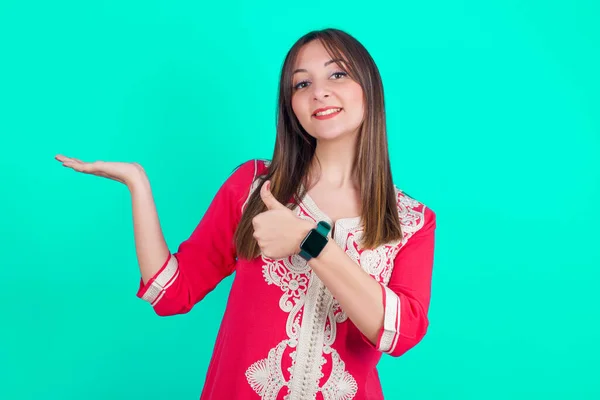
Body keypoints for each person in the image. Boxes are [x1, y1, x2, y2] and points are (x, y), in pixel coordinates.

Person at [56, 28, 436, 400]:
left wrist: (309, 243)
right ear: (291, 107)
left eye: (337, 74)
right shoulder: (255, 187)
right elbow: (171, 293)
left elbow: (398, 334)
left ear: (370, 87)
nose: (319, 91)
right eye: (301, 84)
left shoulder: (410, 220)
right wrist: (137, 185)